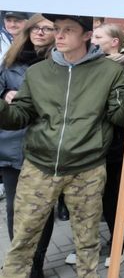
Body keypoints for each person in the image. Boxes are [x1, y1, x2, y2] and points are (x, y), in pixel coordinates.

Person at [0, 13, 124, 278]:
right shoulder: (38, 72)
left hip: (87, 169)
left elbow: (120, 118)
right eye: (57, 29)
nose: (59, 35)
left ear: (87, 35)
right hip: (39, 167)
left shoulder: (109, 71)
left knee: (87, 243)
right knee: (22, 240)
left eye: (68, 29)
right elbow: (19, 116)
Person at [0, 14, 56, 278]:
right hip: (12, 146)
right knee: (15, 209)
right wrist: (4, 95)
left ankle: (37, 263)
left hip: (45, 147)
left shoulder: (58, 61)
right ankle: (19, 261)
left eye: (48, 28)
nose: (41, 32)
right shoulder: (11, 60)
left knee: (42, 210)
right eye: (37, 27)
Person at [87, 22, 124, 267]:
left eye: (98, 36)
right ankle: (87, 244)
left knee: (112, 198)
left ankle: (116, 243)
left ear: (115, 42)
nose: (93, 39)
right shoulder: (87, 64)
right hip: (90, 142)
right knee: (88, 199)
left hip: (116, 143)